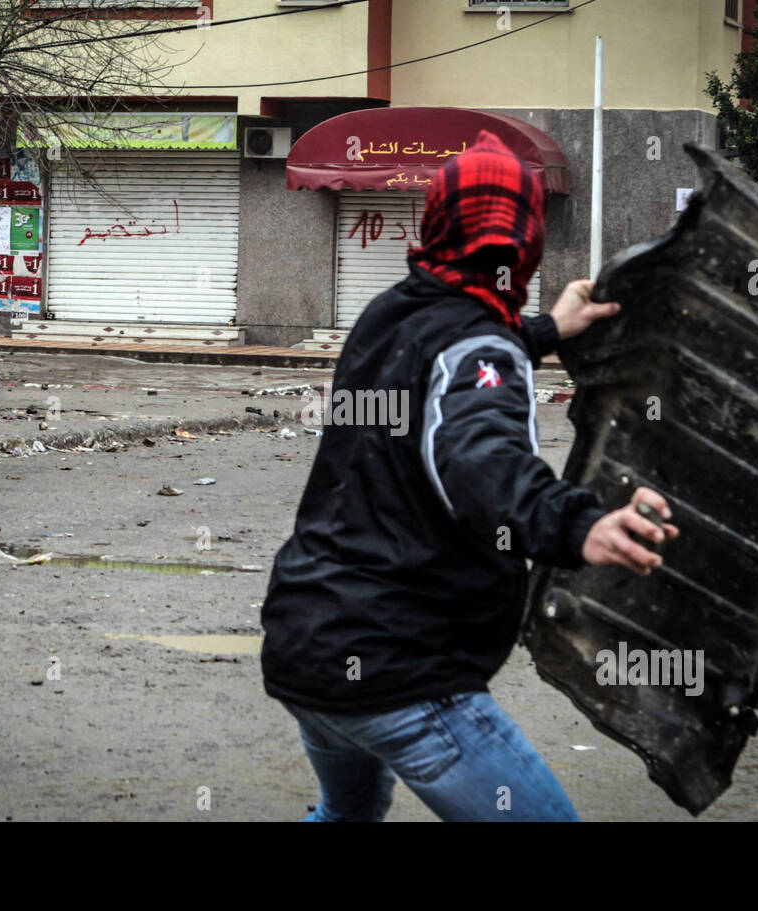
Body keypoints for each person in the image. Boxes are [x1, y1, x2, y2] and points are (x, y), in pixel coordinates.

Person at [259, 131, 679, 823]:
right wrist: (580, 522)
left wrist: (547, 329)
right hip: (401, 670)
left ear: (436, 222)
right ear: (527, 238)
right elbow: (478, 456)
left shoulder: (388, 315)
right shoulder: (480, 343)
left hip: (307, 643)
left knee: (347, 817)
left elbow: (449, 364)